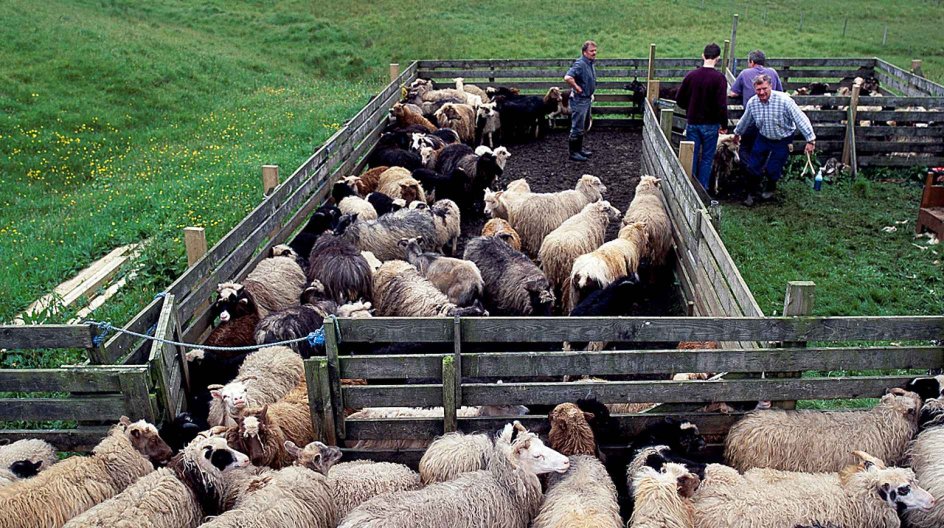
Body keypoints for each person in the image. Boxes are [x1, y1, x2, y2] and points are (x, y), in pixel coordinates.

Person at [733, 74, 816, 206]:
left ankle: (770, 187)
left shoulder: (784, 101)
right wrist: (737, 133)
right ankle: (751, 193)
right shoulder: (753, 103)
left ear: (771, 86)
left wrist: (810, 140)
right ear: (754, 89)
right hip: (763, 136)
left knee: (773, 167)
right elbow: (745, 120)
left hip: (783, 138)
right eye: (758, 89)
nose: (761, 92)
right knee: (753, 164)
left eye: (764, 88)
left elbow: (800, 118)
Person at [675, 43, 728, 190]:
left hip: (693, 122)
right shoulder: (720, 79)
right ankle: (702, 190)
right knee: (706, 158)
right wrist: (724, 125)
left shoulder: (692, 76)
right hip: (711, 125)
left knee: (691, 157)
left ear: (703, 56)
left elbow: (679, 99)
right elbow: (722, 105)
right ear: (718, 58)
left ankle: (689, 189)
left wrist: (690, 108)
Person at [729, 50, 783, 161]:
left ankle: (750, 171)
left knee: (745, 148)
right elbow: (780, 92)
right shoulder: (773, 73)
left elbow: (733, 93)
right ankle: (759, 170)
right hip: (771, 121)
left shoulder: (745, 73)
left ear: (752, 62)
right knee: (763, 150)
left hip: (751, 120)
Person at [563, 40, 597, 162]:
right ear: (584, 52)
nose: (594, 53)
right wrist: (577, 88)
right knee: (577, 126)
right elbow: (567, 77)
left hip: (586, 99)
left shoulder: (589, 63)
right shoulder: (580, 64)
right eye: (591, 51)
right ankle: (573, 153)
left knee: (583, 125)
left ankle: (579, 150)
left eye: (595, 50)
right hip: (579, 100)